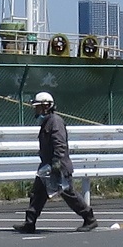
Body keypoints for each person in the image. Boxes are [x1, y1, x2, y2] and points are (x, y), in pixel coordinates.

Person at [14, 91, 98, 233]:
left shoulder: (55, 121)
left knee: (68, 193)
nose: (36, 110)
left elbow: (59, 143)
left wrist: (56, 162)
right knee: (37, 193)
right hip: (47, 165)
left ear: (46, 106)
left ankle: (89, 218)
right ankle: (30, 223)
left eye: (38, 107)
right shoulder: (47, 122)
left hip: (58, 165)